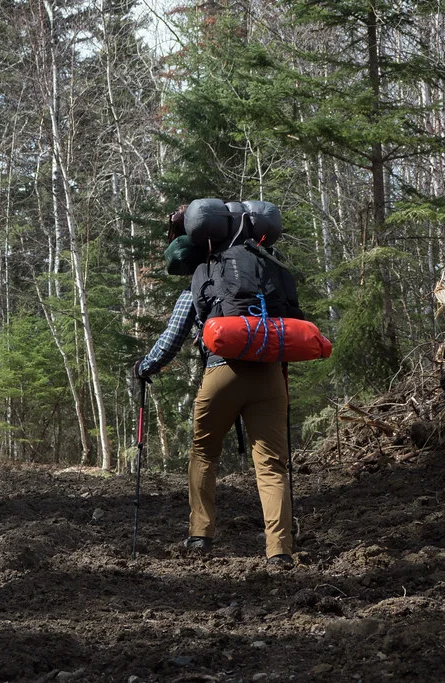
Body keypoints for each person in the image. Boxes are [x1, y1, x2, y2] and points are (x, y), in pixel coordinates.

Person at [133, 206, 295, 568]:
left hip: (222, 374)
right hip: (269, 375)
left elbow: (171, 339)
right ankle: (279, 551)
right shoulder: (265, 274)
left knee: (204, 453)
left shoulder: (204, 278)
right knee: (271, 467)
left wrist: (145, 367)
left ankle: (200, 535)